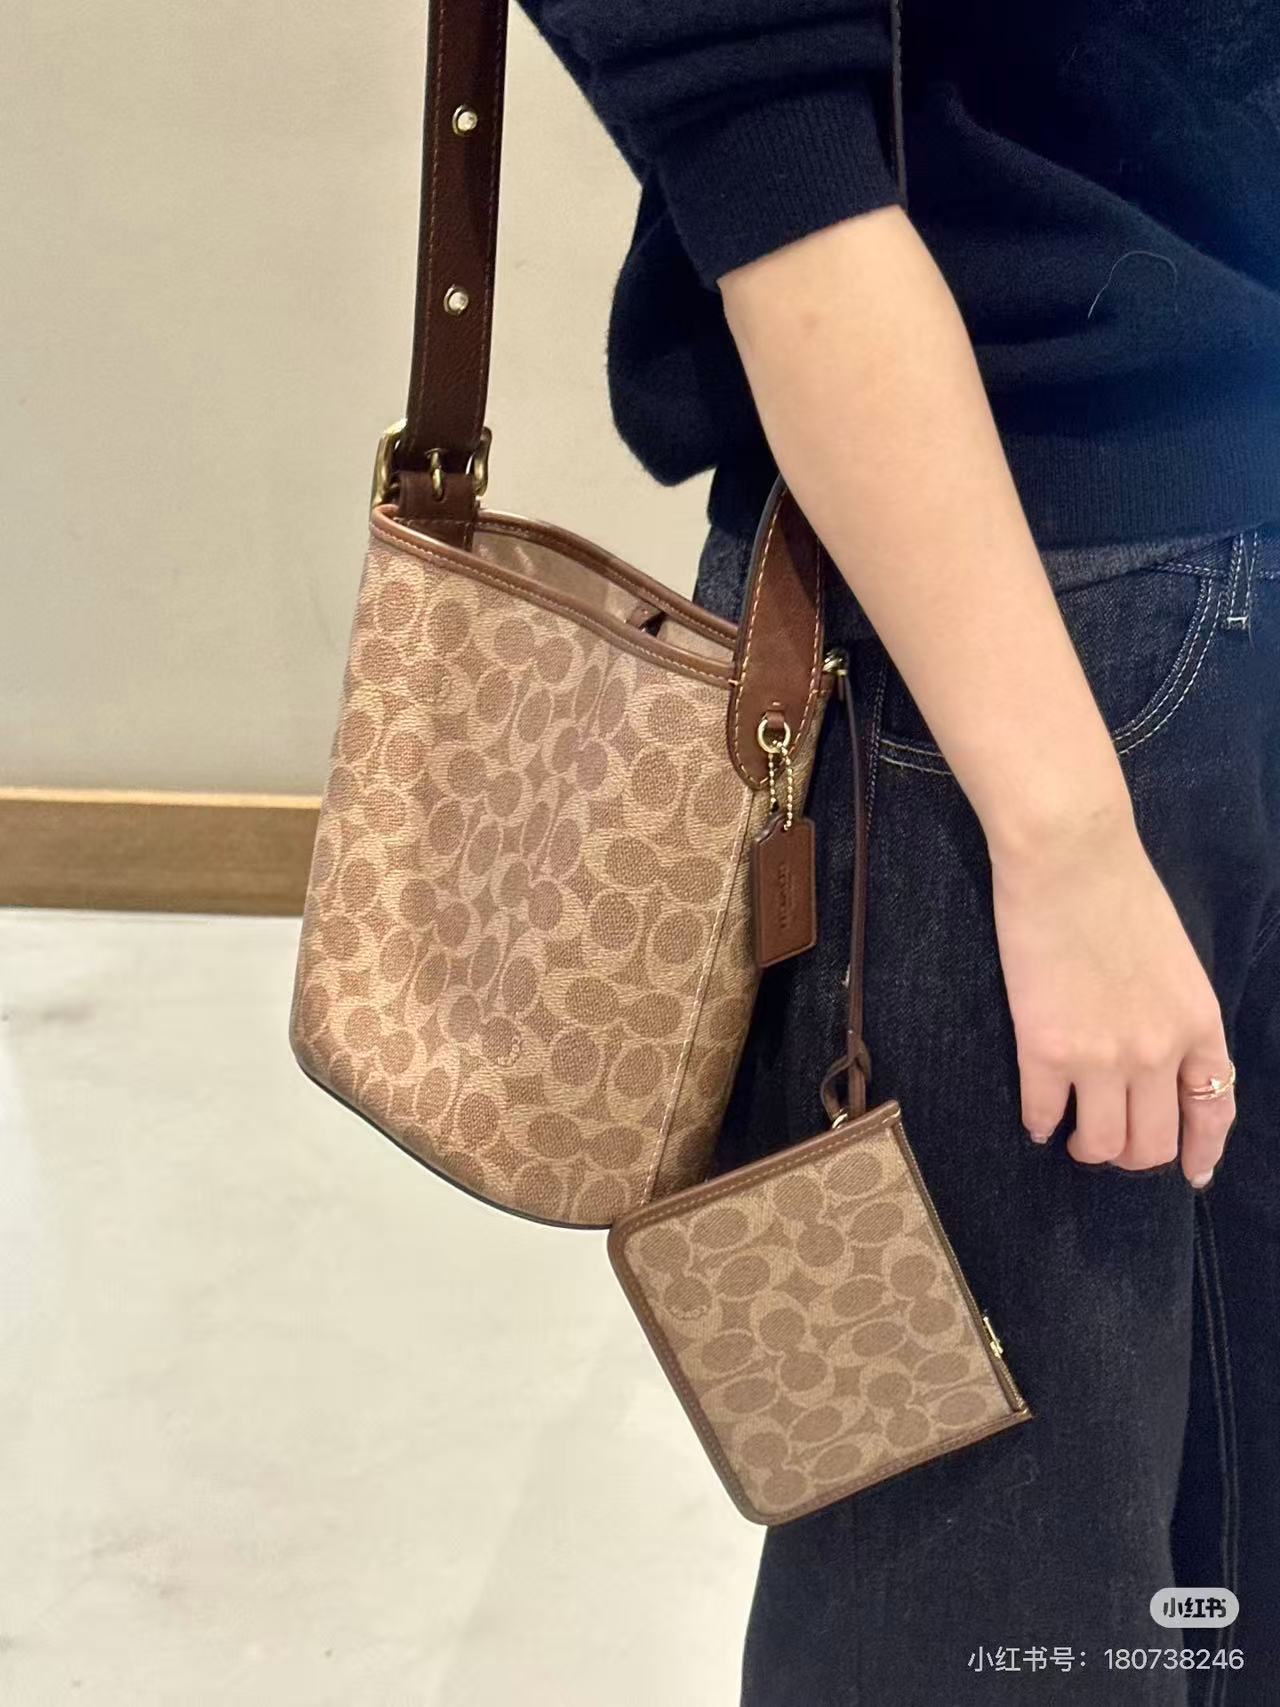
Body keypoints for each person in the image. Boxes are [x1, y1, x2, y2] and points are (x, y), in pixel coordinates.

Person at [519, 2, 1280, 1700]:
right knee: (992, 1582)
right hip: (1021, 642)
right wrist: (1066, 836)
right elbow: (766, 145)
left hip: (1101, 604)